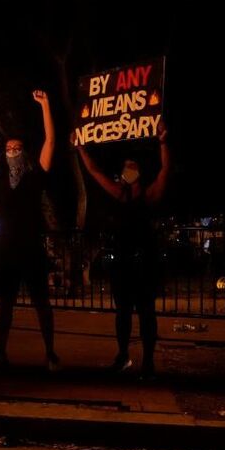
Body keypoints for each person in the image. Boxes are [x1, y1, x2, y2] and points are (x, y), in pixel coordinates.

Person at [73, 122, 169, 378]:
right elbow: (93, 172)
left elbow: (165, 171)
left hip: (144, 262)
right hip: (124, 263)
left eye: (133, 166)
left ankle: (148, 360)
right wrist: (80, 147)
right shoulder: (118, 194)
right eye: (126, 167)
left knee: (147, 313)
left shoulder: (148, 196)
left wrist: (162, 142)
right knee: (123, 313)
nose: (129, 170)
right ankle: (123, 355)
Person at [0, 90, 59, 371]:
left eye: (17, 149)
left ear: (24, 152)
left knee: (42, 304)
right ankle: (0, 352)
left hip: (32, 248)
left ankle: (51, 354)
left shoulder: (36, 174)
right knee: (6, 305)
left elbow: (50, 141)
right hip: (7, 249)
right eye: (8, 149)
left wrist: (45, 106)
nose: (12, 151)